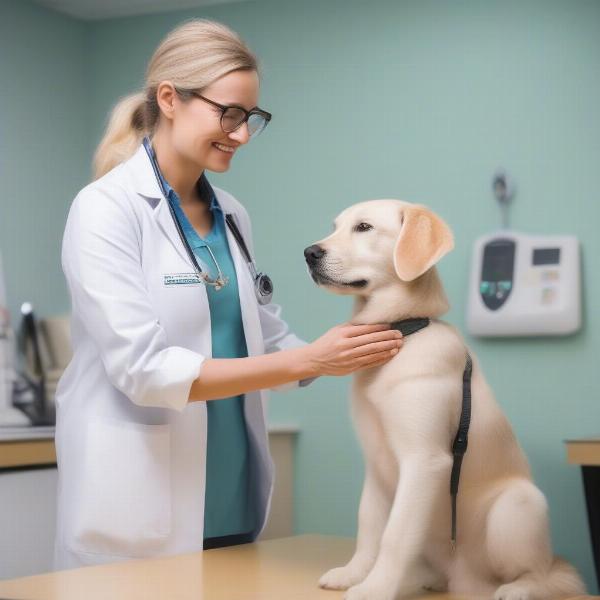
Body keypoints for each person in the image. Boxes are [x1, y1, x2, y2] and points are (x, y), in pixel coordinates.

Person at [53, 18, 404, 570]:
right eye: (229, 114)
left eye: (250, 118)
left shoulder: (232, 215)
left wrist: (359, 346)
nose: (241, 134)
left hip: (230, 494)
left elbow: (262, 334)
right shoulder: (104, 210)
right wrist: (310, 359)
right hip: (141, 503)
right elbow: (144, 369)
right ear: (169, 98)